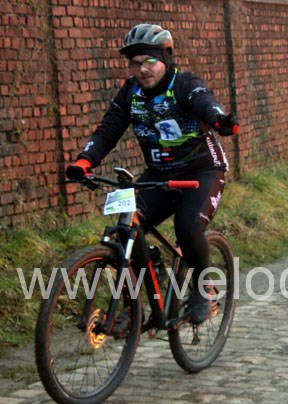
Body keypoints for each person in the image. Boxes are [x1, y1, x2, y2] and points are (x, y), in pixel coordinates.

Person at [64, 23, 239, 325]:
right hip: (160, 175)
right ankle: (138, 297)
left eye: (150, 61)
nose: (143, 69)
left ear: (166, 58)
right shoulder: (130, 93)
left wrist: (219, 120)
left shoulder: (183, 84)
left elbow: (205, 103)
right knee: (126, 229)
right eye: (136, 63)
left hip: (202, 172)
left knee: (187, 228)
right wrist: (85, 161)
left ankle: (203, 288)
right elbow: (107, 131)